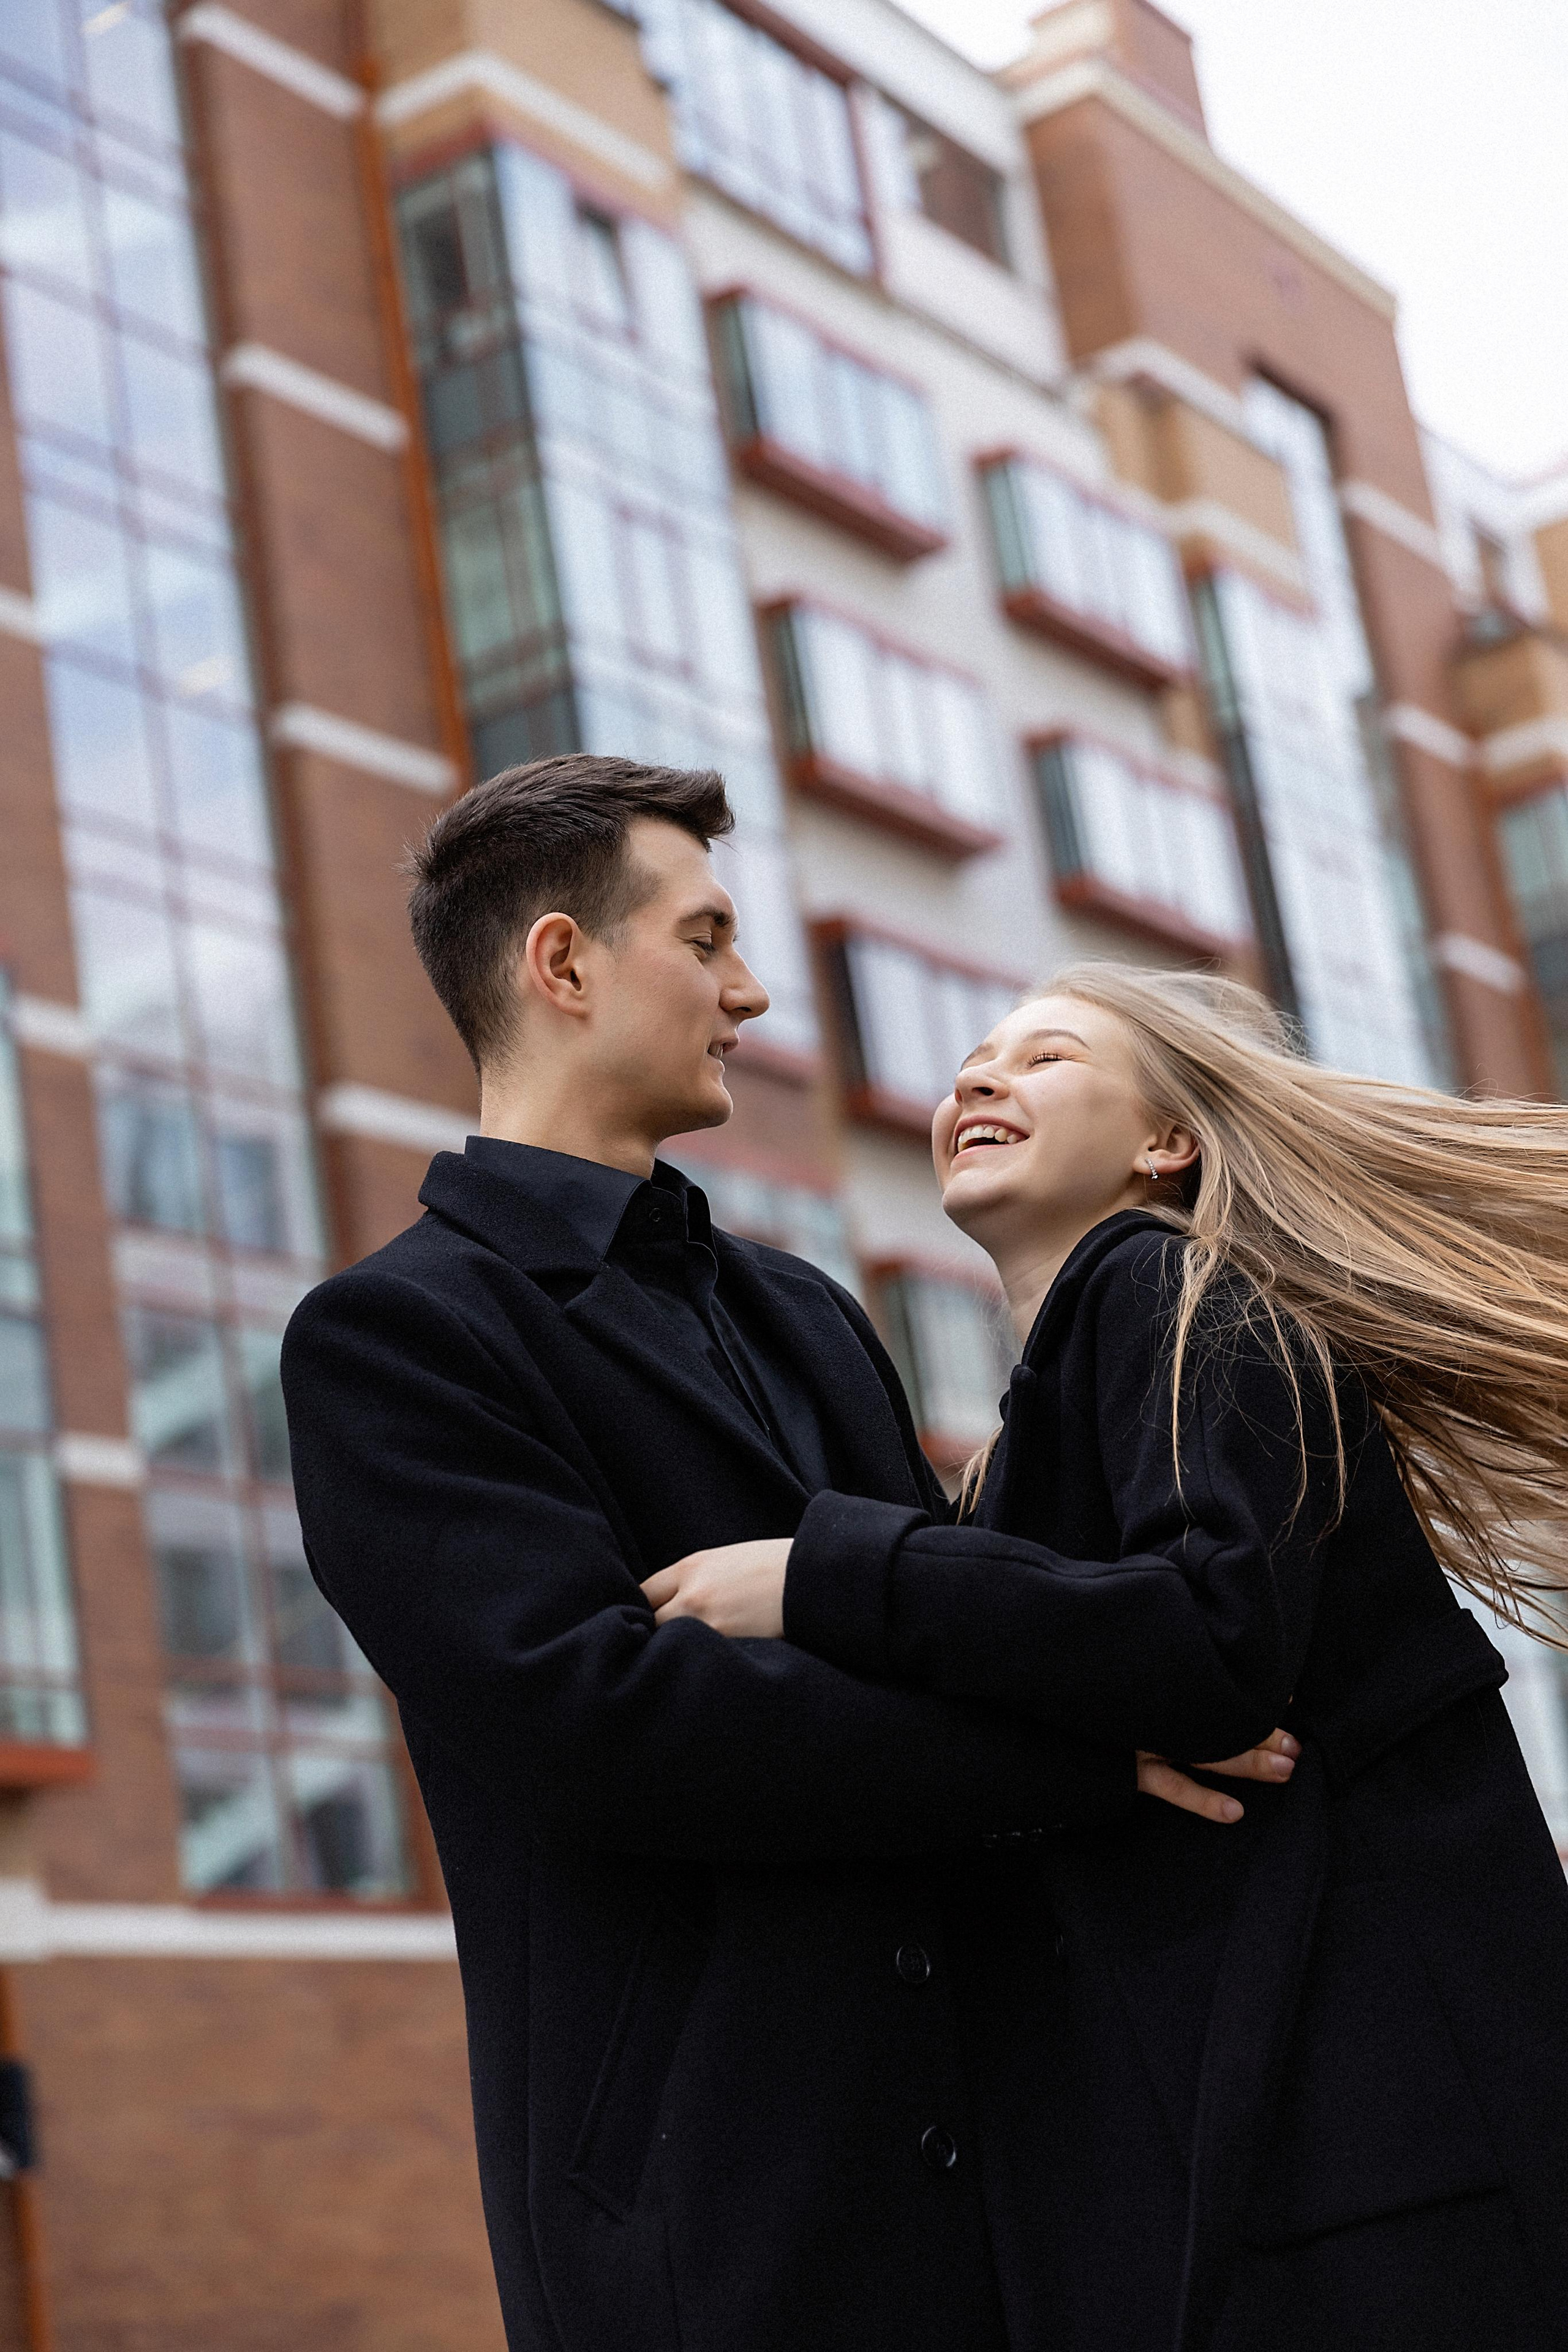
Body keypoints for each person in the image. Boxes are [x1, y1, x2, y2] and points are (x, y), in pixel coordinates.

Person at [279, 763, 1284, 2352]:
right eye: (705, 940)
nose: (747, 992)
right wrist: (1078, 1764)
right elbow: (605, 1725)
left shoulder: (802, 1306)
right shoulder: (393, 1337)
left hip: (1013, 2190)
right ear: (562, 965)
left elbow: (937, 1625)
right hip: (714, 2228)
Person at [652, 964, 1568, 2352]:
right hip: (1332, 2164)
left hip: (1379, 2180)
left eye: (1046, 1058)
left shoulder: (1176, 1288)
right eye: (973, 1058)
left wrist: (822, 1574)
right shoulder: (1056, 1411)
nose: (977, 1078)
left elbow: (1210, 1643)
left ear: (1165, 1144)